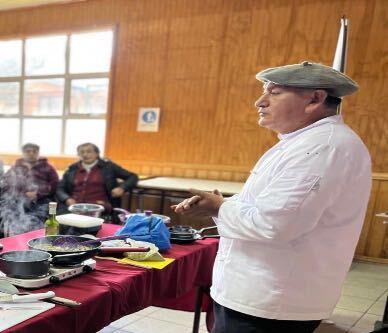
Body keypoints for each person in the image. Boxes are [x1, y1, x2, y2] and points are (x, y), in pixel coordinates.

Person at [172, 61, 369, 333]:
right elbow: (270, 206)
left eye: (274, 93)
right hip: (258, 292)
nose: (259, 102)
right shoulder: (301, 142)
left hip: (272, 300)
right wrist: (226, 204)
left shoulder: (323, 147)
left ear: (315, 98)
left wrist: (219, 207)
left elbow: (276, 224)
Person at [56, 143, 138, 213]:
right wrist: (67, 199)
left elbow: (133, 176)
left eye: (89, 151)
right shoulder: (72, 169)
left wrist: (122, 188)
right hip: (75, 207)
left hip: (100, 207)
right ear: (79, 155)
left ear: (97, 154)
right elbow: (60, 188)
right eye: (82, 152)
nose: (85, 154)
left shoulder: (109, 167)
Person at [0, 143, 59, 235]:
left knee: (39, 218)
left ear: (38, 153)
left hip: (41, 201)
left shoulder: (47, 167)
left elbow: (54, 185)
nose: (31, 153)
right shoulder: (16, 167)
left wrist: (38, 194)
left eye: (34, 151)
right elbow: (6, 184)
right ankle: (17, 241)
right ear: (23, 153)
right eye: (28, 151)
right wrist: (22, 194)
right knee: (11, 214)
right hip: (19, 200)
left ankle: (37, 239)